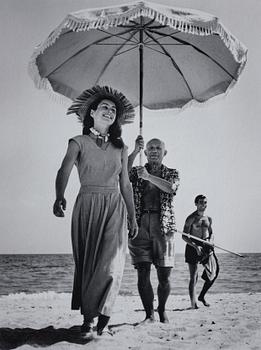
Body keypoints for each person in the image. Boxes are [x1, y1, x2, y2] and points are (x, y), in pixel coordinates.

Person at [53, 86, 138, 338]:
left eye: (113, 109)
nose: (110, 111)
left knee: (112, 265)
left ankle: (105, 313)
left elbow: (125, 184)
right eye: (105, 107)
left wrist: (133, 216)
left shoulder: (121, 147)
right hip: (87, 204)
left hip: (114, 206)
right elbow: (64, 170)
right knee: (89, 264)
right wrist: (59, 195)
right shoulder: (77, 142)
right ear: (92, 112)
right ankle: (89, 318)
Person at [128, 136, 180, 323]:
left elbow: (171, 188)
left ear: (164, 152)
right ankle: (149, 313)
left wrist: (149, 177)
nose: (154, 150)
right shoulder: (137, 171)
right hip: (140, 224)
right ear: (146, 152)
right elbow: (122, 174)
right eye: (150, 148)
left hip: (163, 226)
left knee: (164, 274)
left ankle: (162, 309)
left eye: (158, 148)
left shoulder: (172, 172)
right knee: (142, 271)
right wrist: (134, 151)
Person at [182, 194, 219, 309]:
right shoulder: (191, 218)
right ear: (196, 204)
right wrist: (195, 246)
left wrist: (211, 240)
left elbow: (211, 232)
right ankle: (193, 303)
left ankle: (201, 296)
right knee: (194, 276)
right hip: (192, 247)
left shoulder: (208, 219)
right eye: (201, 202)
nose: (204, 205)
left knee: (214, 272)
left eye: (205, 202)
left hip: (206, 246)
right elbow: (184, 236)